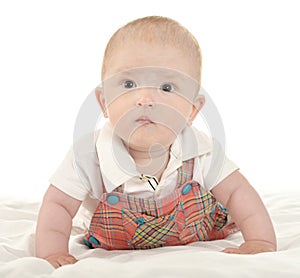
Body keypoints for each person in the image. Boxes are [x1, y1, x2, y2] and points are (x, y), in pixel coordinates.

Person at [35, 16, 277, 269]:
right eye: (129, 84)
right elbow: (58, 205)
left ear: (192, 111)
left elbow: (239, 193)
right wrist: (51, 253)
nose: (145, 98)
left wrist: (260, 240)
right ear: (104, 102)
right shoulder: (89, 155)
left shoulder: (201, 150)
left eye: (167, 87)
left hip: (196, 234)